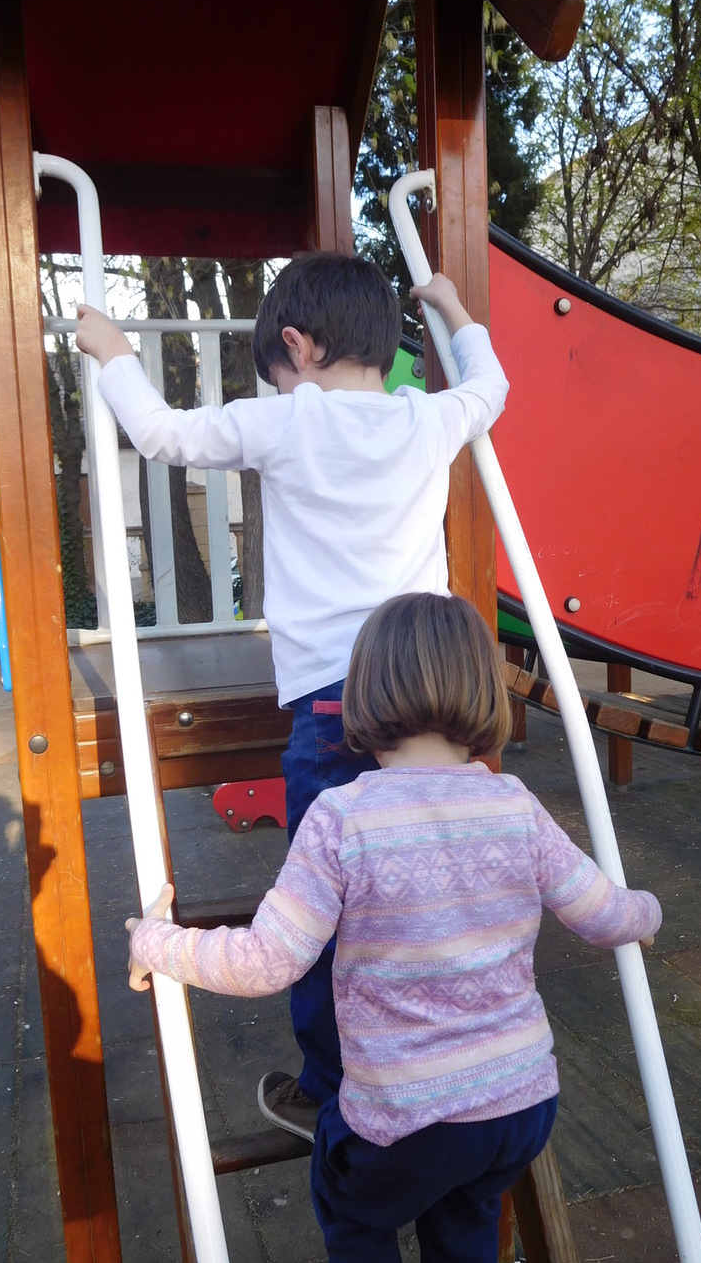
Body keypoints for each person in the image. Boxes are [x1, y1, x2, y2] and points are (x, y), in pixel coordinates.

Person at [126, 591, 662, 1263]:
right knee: (465, 1233)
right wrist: (648, 913)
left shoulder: (342, 818)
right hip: (519, 1105)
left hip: (407, 1118)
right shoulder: (515, 805)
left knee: (351, 1208)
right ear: (482, 689)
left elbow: (266, 961)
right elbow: (601, 912)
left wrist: (159, 942)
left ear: (364, 695)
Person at [75, 251, 510, 1139]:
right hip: (432, 693)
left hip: (334, 705)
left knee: (323, 904)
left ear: (300, 348)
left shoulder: (287, 424)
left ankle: (330, 1090)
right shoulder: (426, 418)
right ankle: (443, 1053)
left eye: (276, 366)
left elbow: (163, 435)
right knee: (426, 891)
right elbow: (492, 385)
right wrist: (456, 307)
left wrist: (113, 349)